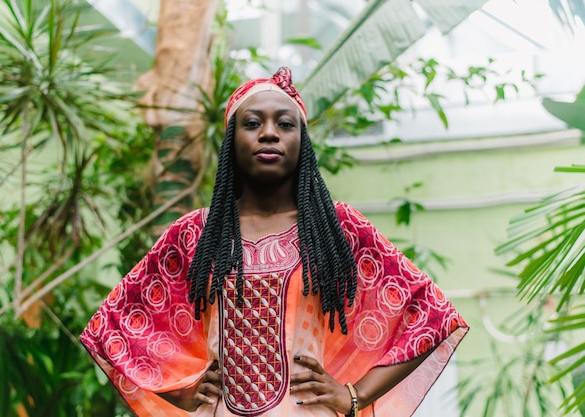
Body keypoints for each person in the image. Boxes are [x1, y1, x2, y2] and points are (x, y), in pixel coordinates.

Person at [80, 67, 469, 417]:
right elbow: (110, 327)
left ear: (303, 141)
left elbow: (430, 313)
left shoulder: (338, 227)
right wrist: (182, 393)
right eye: (252, 123)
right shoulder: (194, 234)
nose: (269, 132)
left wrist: (355, 395)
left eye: (285, 124)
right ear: (232, 140)